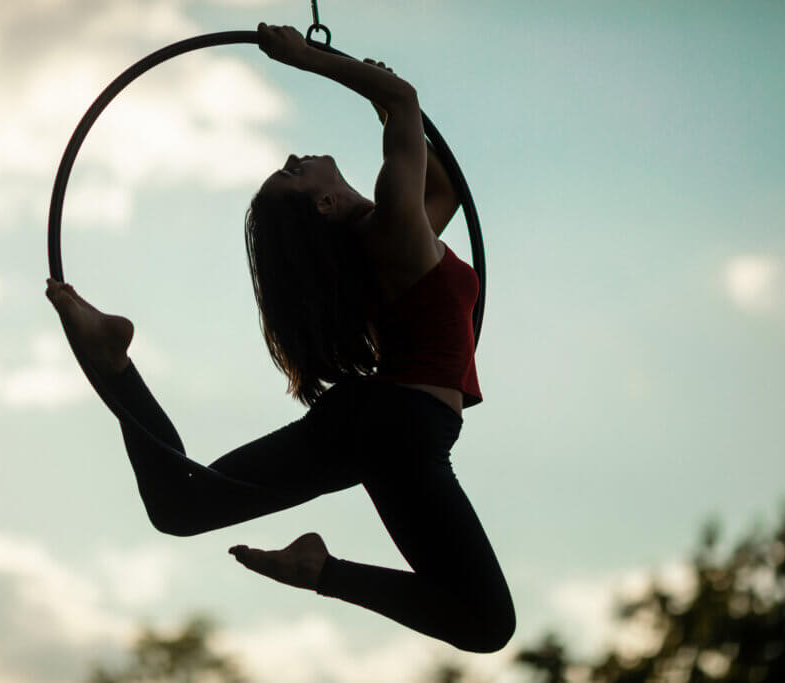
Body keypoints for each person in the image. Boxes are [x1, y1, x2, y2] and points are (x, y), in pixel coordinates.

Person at [45, 22, 514, 653]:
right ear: (322, 206)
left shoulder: (391, 240)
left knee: (179, 509)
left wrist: (380, 100)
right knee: (485, 623)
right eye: (292, 175)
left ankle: (113, 364)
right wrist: (307, 58)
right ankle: (320, 572)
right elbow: (406, 103)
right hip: (401, 425)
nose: (296, 158)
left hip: (376, 423)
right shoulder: (394, 229)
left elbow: (444, 185)